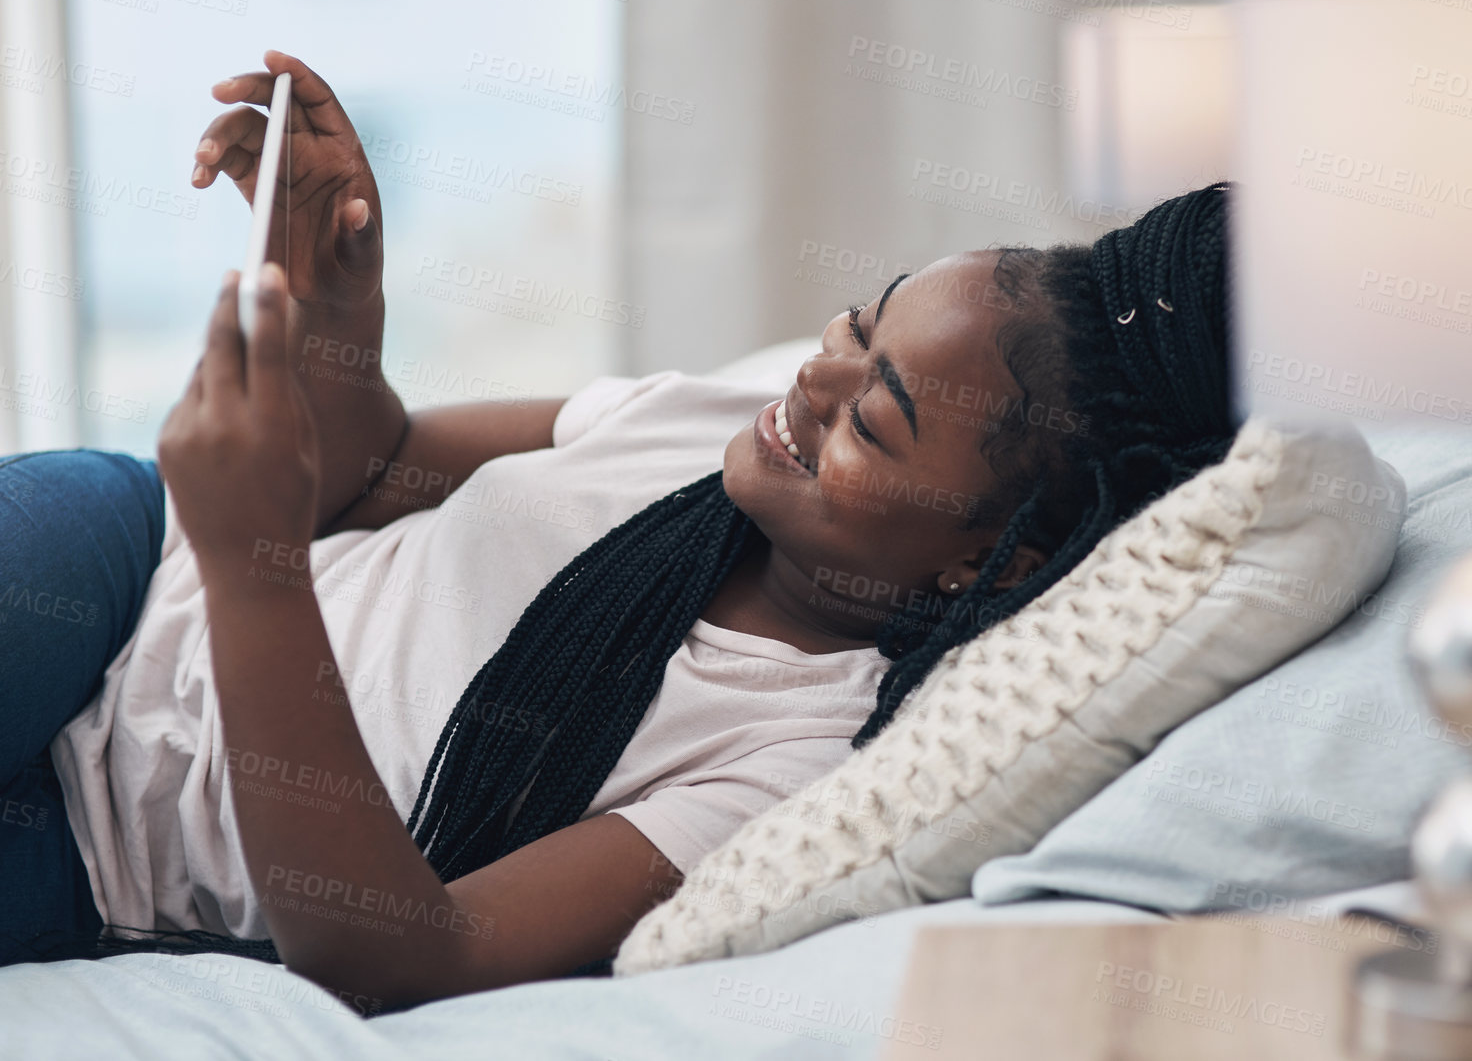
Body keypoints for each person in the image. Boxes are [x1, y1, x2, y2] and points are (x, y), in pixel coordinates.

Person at [0, 51, 1236, 1010]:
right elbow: (369, 473)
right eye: (859, 329)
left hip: (94, 847)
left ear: (991, 559)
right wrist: (337, 301)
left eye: (878, 415)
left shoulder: (793, 758)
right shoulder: (706, 424)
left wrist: (254, 570)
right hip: (118, 571)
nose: (813, 384)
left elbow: (393, 962)